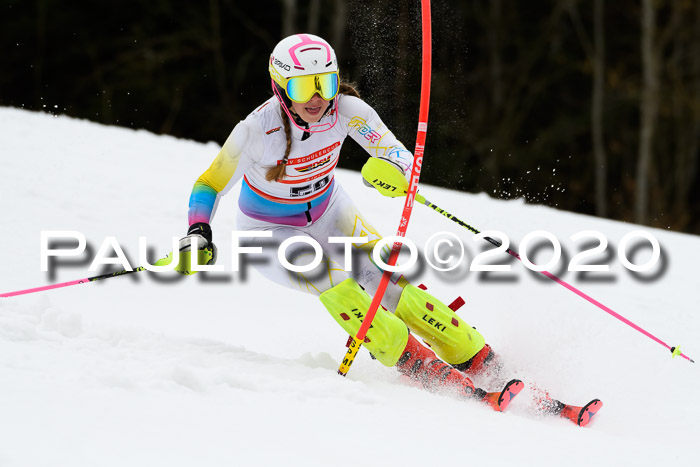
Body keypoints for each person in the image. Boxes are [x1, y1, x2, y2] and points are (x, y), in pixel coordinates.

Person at [176, 33, 502, 403]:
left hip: (329, 211)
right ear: (281, 87)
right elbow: (209, 183)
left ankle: (473, 353)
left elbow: (398, 155)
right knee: (331, 278)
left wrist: (396, 173)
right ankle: (412, 360)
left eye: (325, 83)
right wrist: (198, 230)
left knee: (385, 275)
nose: (316, 97)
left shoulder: (348, 111)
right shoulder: (254, 131)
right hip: (267, 233)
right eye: (303, 87)